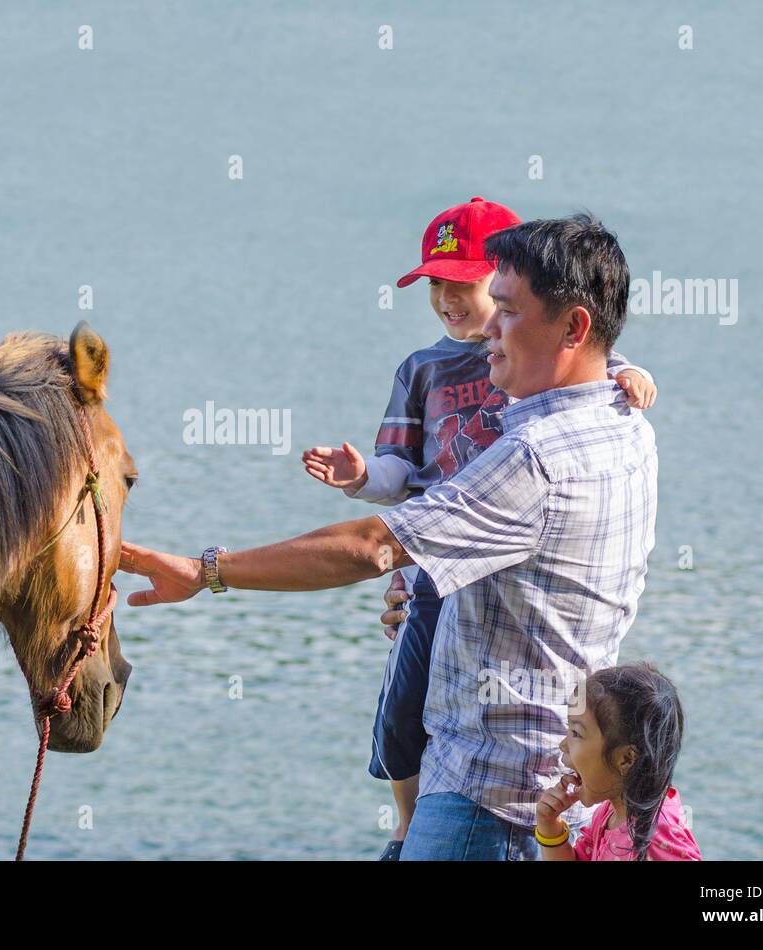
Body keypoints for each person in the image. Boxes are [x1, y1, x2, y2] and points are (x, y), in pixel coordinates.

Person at [120, 213, 658, 861]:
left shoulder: (535, 457)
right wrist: (431, 596)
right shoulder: (623, 424)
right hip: (541, 786)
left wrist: (206, 570)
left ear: (573, 327)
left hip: (485, 803)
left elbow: (371, 546)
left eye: (507, 310)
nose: (486, 326)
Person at [301, 197, 656, 860]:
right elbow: (397, 474)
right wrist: (358, 477)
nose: (449, 301)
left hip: (499, 747)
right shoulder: (424, 369)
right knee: (404, 709)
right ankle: (404, 823)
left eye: (464, 285)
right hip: (433, 562)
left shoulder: (547, 384)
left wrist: (634, 375)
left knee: (434, 701)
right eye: (435, 285)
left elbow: (603, 362)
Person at [535, 662, 701, 860]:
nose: (563, 744)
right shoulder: (610, 813)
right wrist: (550, 827)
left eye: (576, 733)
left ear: (626, 758)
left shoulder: (655, 835)